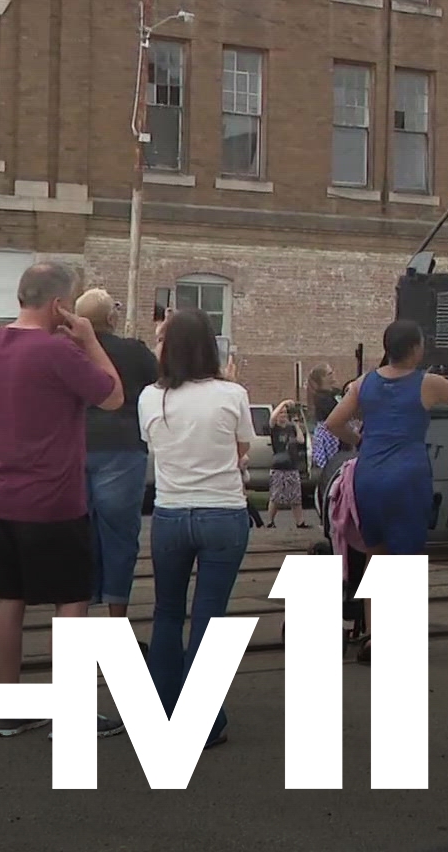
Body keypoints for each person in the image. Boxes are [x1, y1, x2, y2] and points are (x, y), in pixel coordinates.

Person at [0, 262, 127, 738]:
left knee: (8, 600)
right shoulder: (58, 351)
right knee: (71, 602)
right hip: (54, 500)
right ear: (60, 305)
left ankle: (8, 706)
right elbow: (113, 396)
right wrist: (90, 340)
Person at [138, 308, 258, 750]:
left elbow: (155, 445)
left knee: (167, 613)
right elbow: (241, 446)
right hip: (223, 514)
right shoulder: (232, 393)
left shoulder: (150, 397)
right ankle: (201, 722)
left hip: (170, 515)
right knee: (209, 618)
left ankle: (162, 712)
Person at [323, 320, 448, 658]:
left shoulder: (364, 384)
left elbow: (333, 423)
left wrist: (361, 441)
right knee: (406, 561)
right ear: (415, 349)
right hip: (407, 477)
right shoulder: (427, 384)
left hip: (368, 476)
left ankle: (374, 637)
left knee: (375, 555)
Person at [77, 288, 160, 622]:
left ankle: (76, 613)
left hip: (74, 447)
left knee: (77, 534)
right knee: (120, 536)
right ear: (112, 318)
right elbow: (160, 386)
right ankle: (116, 619)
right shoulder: (135, 353)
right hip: (123, 449)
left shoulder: (67, 350)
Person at [263, 400, 309, 528]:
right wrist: (284, 403)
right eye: (281, 413)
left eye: (285, 413)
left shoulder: (290, 428)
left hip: (292, 466)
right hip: (278, 466)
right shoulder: (275, 429)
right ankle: (270, 521)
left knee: (296, 497)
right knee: (276, 496)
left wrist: (296, 426)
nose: (283, 415)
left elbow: (301, 440)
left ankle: (300, 522)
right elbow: (272, 418)